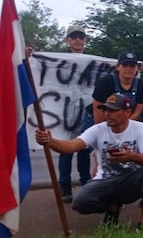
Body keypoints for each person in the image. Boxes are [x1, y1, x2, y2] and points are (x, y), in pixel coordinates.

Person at [34, 93, 143, 230]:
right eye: (106, 110)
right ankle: (112, 207)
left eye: (113, 110)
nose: (108, 114)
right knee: (80, 203)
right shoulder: (98, 129)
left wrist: (131, 156)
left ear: (127, 112)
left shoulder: (139, 128)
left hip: (130, 181)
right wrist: (50, 141)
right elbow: (71, 146)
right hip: (106, 181)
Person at [57, 25, 92, 203]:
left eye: (81, 37)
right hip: (66, 112)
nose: (78, 40)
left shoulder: (93, 61)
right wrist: (29, 57)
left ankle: (86, 184)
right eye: (74, 37)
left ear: (85, 40)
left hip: (87, 112)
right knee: (66, 151)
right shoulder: (59, 60)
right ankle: (65, 186)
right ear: (67, 40)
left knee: (85, 150)